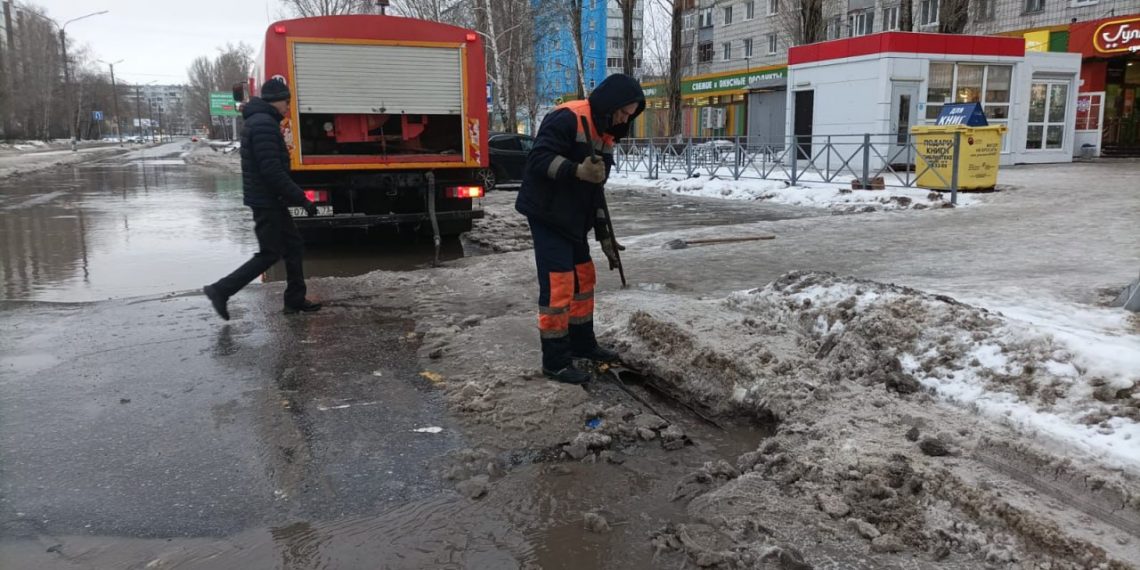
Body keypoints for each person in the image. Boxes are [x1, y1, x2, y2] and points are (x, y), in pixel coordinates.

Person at [515, 73, 645, 384]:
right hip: (547, 213)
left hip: (573, 217)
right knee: (559, 283)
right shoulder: (568, 118)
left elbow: (595, 192)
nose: (625, 119)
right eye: (624, 111)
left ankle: (582, 344)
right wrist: (576, 170)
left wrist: (604, 236)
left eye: (631, 114)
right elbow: (537, 160)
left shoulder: (607, 136)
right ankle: (556, 361)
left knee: (584, 276)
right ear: (611, 103)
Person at [203, 78, 321, 320]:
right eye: (286, 102)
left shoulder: (261, 121)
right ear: (275, 101)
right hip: (268, 201)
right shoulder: (263, 124)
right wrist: (302, 200)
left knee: (294, 246)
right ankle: (221, 290)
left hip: (269, 199)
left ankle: (295, 300)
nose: (288, 107)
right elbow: (272, 171)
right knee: (269, 254)